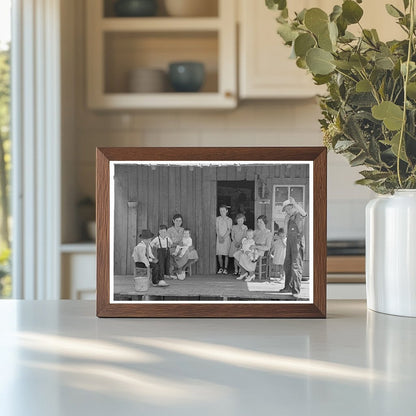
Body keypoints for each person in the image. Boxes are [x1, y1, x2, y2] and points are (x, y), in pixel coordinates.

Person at [279, 197, 307, 296]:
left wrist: (295, 204)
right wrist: (285, 222)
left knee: (296, 266)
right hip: (289, 242)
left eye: (287, 209)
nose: (286, 212)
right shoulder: (289, 218)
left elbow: (304, 213)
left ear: (291, 207)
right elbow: (286, 233)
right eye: (285, 210)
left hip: (297, 242)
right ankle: (288, 287)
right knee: (287, 265)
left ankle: (296, 290)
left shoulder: (299, 214)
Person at [234, 215, 273, 282]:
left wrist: (256, 247)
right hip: (250, 248)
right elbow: (248, 238)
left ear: (265, 222)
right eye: (258, 222)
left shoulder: (268, 233)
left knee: (244, 256)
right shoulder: (255, 231)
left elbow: (267, 247)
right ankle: (244, 272)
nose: (258, 224)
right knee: (236, 255)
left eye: (260, 222)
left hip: (260, 250)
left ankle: (251, 274)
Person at [167, 214, 198, 280]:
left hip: (183, 247)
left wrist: (188, 245)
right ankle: (179, 269)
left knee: (193, 253)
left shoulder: (183, 230)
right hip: (173, 248)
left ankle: (183, 268)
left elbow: (188, 240)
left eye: (180, 221)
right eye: (177, 221)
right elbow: (168, 243)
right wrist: (177, 244)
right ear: (173, 221)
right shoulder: (169, 230)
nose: (178, 222)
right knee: (181, 252)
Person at [216, 205, 232, 275]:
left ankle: (225, 268)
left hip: (226, 238)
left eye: (223, 211)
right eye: (221, 211)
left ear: (226, 211)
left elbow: (229, 230)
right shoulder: (217, 219)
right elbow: (217, 229)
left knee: (226, 254)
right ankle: (221, 267)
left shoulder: (229, 220)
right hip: (219, 238)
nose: (222, 212)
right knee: (219, 253)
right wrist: (219, 237)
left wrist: (223, 237)